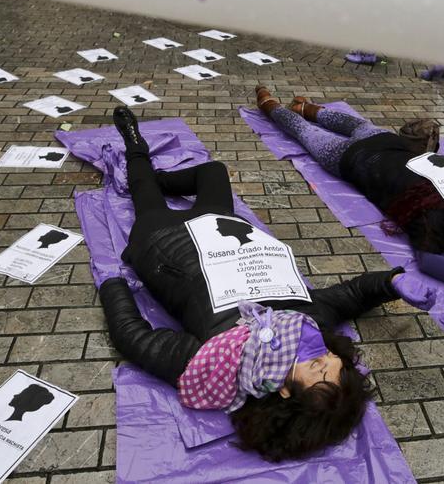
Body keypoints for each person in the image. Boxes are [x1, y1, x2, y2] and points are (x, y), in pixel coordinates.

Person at [99, 107, 406, 461]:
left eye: (317, 370)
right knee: (213, 171)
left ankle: (135, 148)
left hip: (162, 243)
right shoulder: (309, 324)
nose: (322, 357)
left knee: (143, 191)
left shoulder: (218, 364)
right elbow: (351, 295)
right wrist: (392, 281)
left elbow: (133, 337)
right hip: (223, 229)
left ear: (287, 392)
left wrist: (113, 284)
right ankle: (163, 180)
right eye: (330, 359)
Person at [255, 86, 444, 307]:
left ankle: (303, 107)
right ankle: (272, 105)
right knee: (304, 132)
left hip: (386, 142)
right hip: (351, 158)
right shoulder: (434, 213)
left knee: (353, 123)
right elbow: (429, 261)